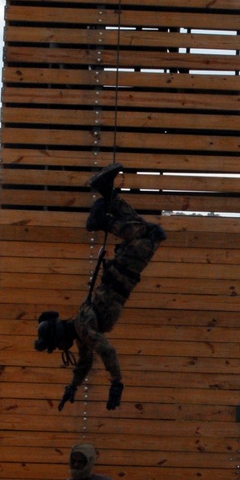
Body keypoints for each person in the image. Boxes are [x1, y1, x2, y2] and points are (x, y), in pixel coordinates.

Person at [34, 164, 166, 412]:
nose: (63, 349)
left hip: (124, 273)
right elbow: (84, 364)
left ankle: (102, 220)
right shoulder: (81, 330)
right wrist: (72, 386)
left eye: (58, 345)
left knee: (150, 236)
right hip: (122, 273)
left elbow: (106, 350)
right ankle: (107, 193)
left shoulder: (83, 329)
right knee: (143, 230)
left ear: (60, 336)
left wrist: (117, 382)